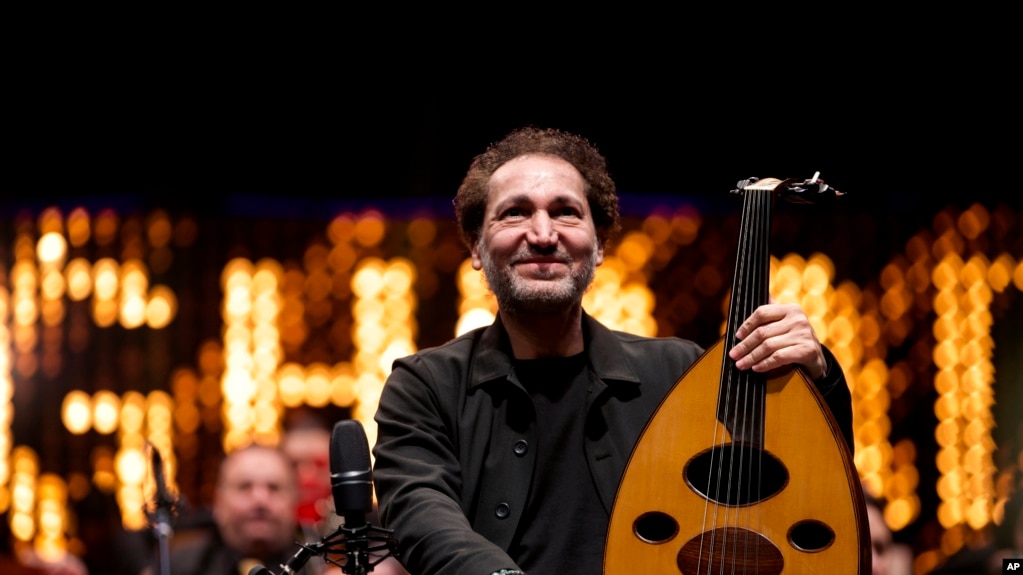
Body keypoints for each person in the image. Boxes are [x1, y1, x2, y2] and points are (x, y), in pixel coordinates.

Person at [372, 126, 855, 575]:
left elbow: (795, 487)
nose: (542, 235)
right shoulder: (426, 386)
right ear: (476, 248)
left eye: (565, 211)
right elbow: (419, 511)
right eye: (515, 212)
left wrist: (816, 374)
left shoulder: (680, 372)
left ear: (599, 245)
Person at [148, 444, 322, 575]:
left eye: (274, 488)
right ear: (219, 502)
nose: (260, 499)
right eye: (244, 487)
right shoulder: (177, 567)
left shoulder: (322, 566)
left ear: (295, 500)